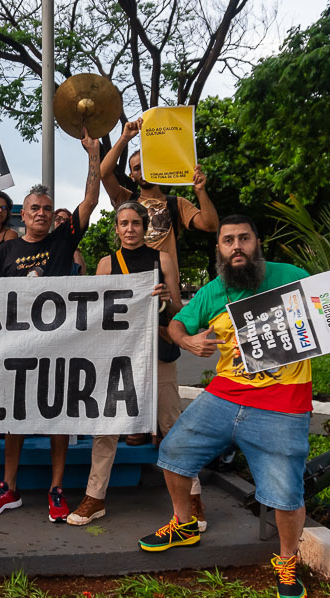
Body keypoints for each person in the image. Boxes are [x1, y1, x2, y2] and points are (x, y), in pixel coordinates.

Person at [144, 214, 330, 598]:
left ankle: (287, 560)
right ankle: (183, 523)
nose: (237, 246)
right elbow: (178, 323)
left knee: (285, 492)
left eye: (244, 238)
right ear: (220, 249)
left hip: (283, 404)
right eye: (228, 240)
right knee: (173, 452)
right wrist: (188, 342)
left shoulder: (291, 275)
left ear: (256, 243)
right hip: (225, 395)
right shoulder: (213, 290)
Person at [0, 129, 101, 523]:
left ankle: (56, 488)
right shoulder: (7, 251)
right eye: (35, 208)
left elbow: (92, 200)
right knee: (16, 418)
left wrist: (93, 155)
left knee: (57, 418)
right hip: (16, 347)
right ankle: (8, 488)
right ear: (24, 213)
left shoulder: (64, 240)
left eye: (48, 208)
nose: (42, 213)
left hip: (58, 346)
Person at [67, 201, 185, 527]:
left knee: (171, 422)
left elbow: (178, 308)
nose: (130, 229)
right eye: (124, 223)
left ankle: (192, 498)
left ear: (145, 226)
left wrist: (166, 301)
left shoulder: (163, 259)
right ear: (116, 228)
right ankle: (95, 496)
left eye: (136, 223)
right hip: (119, 354)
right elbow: (94, 312)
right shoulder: (106, 263)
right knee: (107, 426)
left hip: (157, 349)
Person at [102, 118, 215, 446]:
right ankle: (138, 425)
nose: (140, 170)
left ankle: (165, 437)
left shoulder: (175, 204)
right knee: (129, 367)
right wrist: (123, 137)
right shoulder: (126, 199)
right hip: (129, 298)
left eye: (146, 164)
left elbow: (209, 223)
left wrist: (200, 191)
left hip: (165, 295)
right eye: (136, 167)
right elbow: (105, 173)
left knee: (164, 370)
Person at [54, 208, 87, 274]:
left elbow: (81, 273)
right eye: (58, 219)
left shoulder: (72, 247)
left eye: (66, 221)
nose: (62, 222)